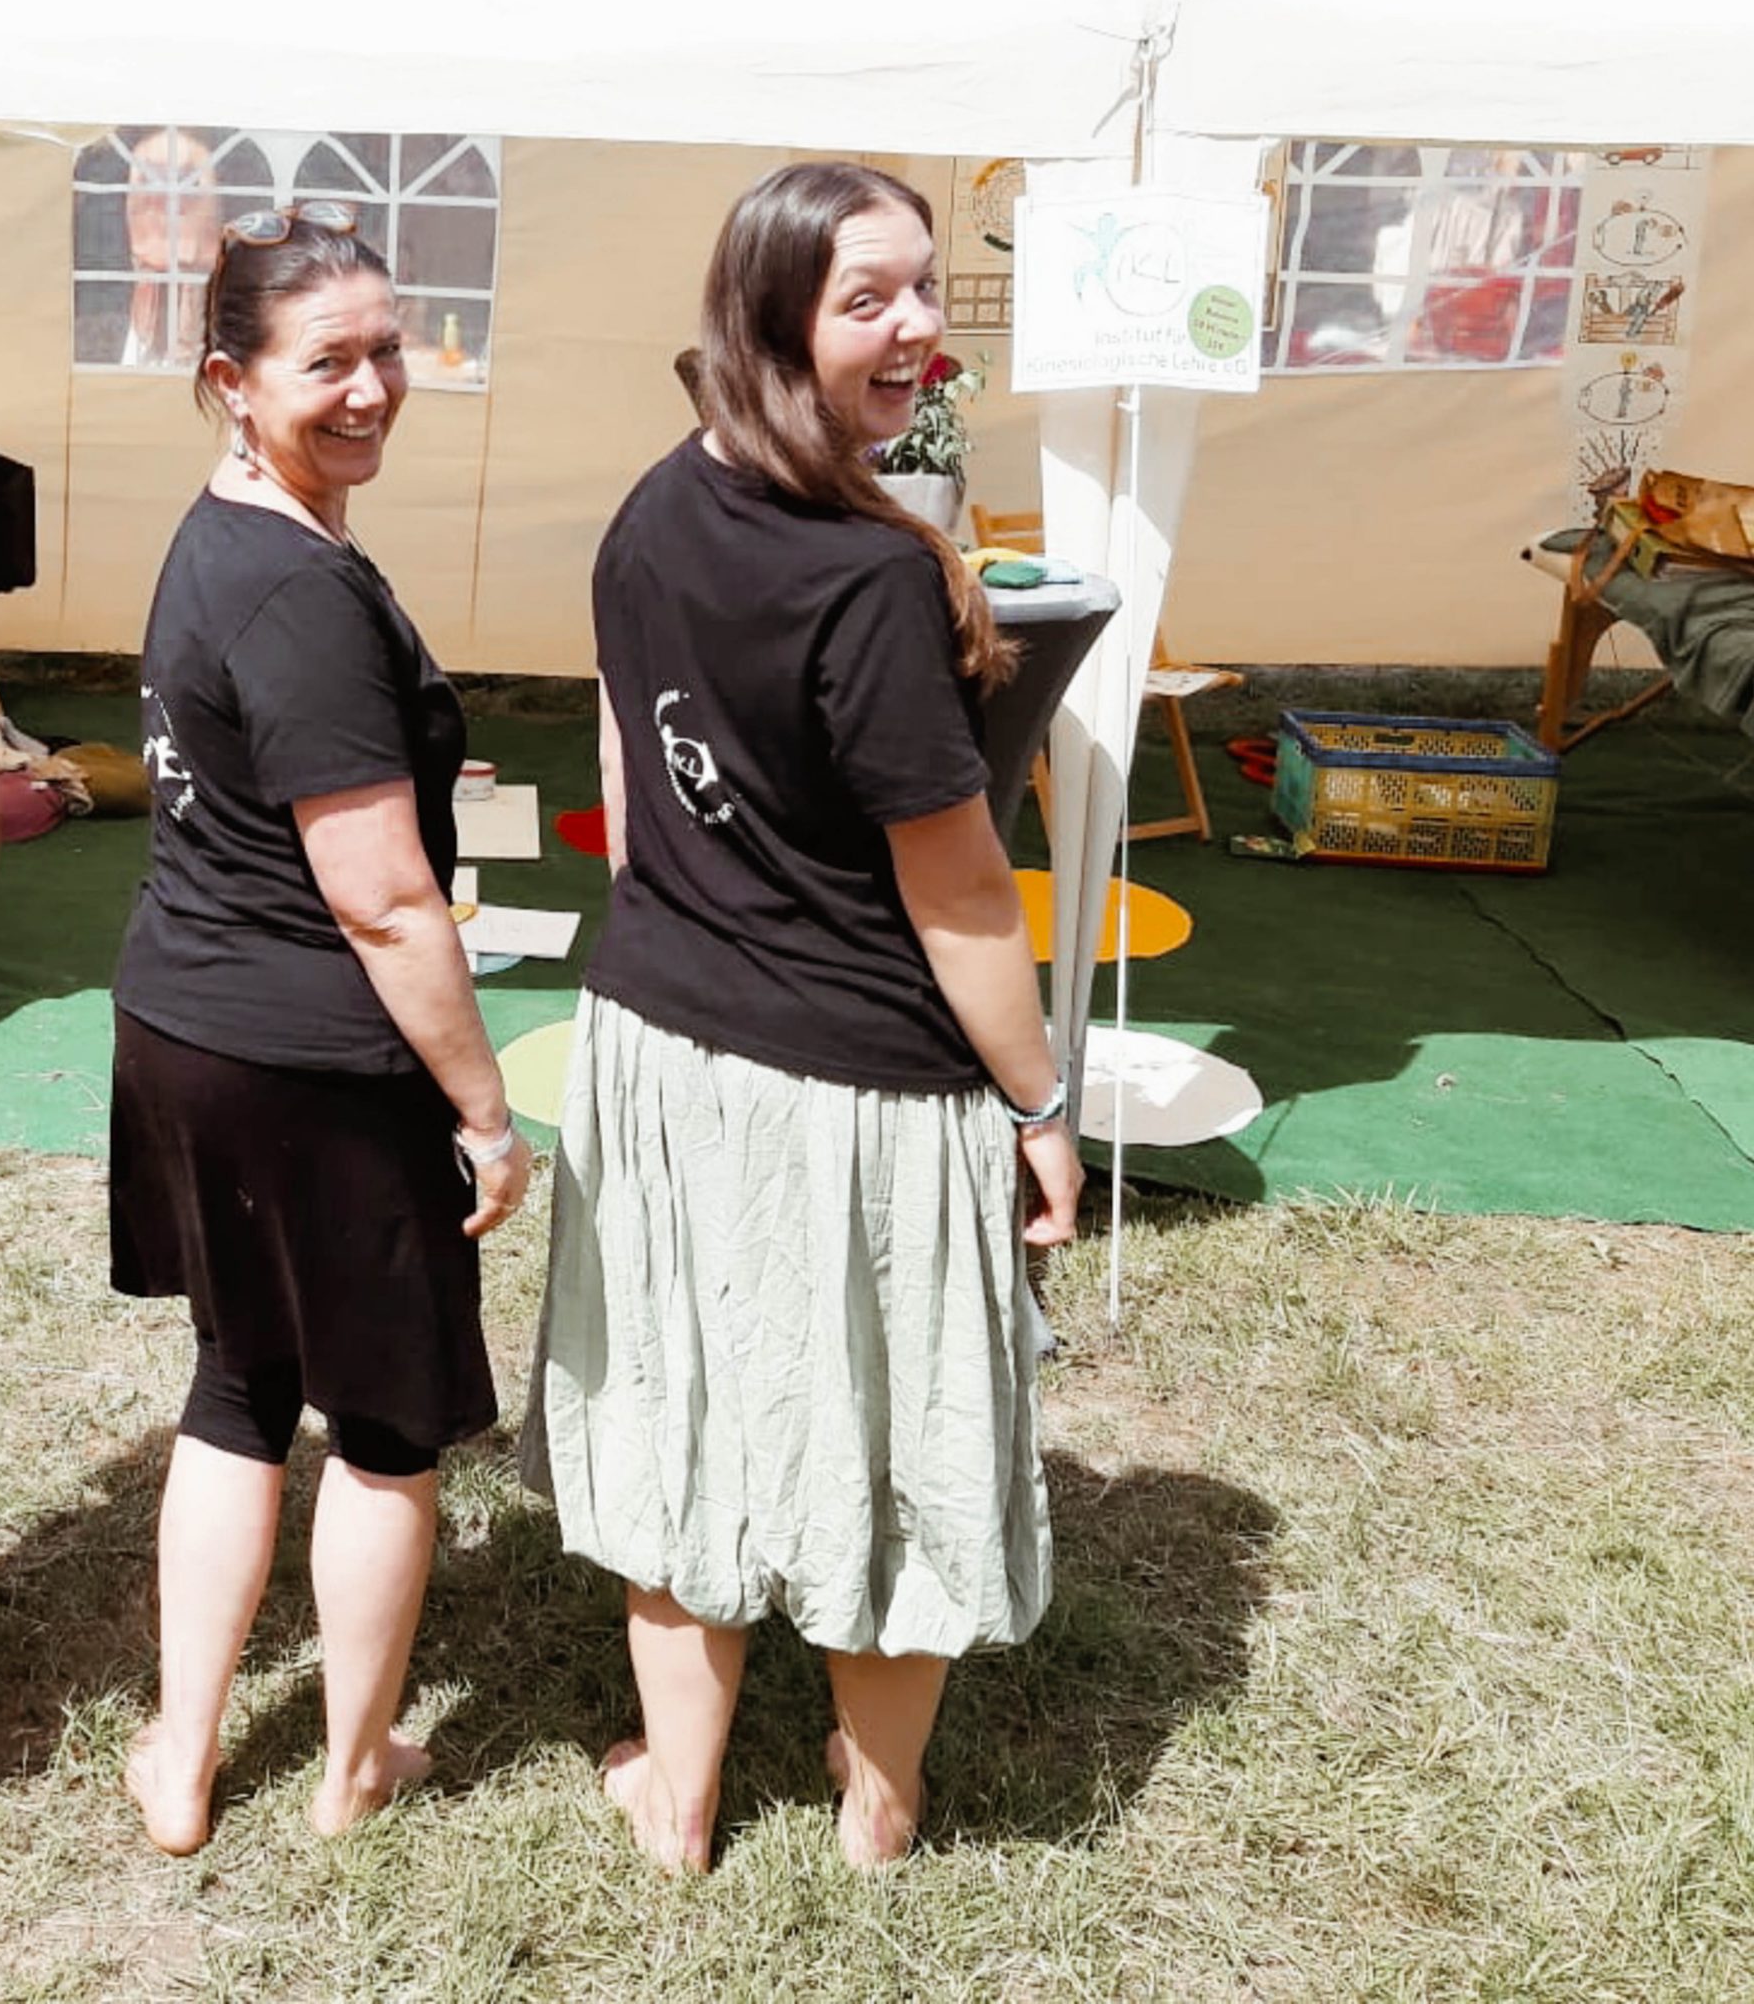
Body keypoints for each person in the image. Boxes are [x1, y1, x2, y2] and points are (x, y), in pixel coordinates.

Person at [522, 161, 1083, 1875]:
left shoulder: (652, 505)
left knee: (684, 1409)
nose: (917, 330)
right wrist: (1042, 1103)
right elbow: (962, 892)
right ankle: (877, 1807)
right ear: (773, 324)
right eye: (867, 301)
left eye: (924, 288)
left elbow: (629, 770)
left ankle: (682, 1800)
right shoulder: (868, 579)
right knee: (893, 1429)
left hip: (661, 1043)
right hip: (854, 1083)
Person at [109, 199, 532, 1856]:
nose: (371, 388)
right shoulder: (297, 589)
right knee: (385, 1422)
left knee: (238, 1382)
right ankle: (352, 1770)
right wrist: (484, 1110)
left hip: (190, 1025)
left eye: (388, 350)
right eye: (326, 362)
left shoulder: (227, 534)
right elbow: (387, 903)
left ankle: (183, 1752)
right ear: (231, 380)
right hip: (312, 1059)